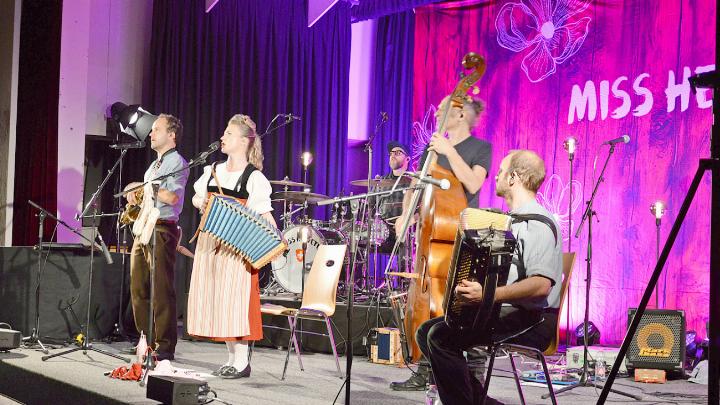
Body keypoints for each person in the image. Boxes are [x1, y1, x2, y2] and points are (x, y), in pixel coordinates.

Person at [417, 150, 563, 404]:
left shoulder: (537, 224)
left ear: (514, 178)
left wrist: (487, 295)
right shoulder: (509, 221)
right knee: (426, 331)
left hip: (532, 320)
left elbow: (541, 285)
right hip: (505, 310)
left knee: (439, 337)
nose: (496, 176)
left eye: (501, 171)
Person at [390, 96, 492, 391]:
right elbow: (416, 185)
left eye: (443, 109)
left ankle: (472, 377)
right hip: (432, 236)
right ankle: (424, 370)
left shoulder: (480, 148)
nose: (437, 114)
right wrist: (405, 216)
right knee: (429, 306)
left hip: (464, 236)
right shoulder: (432, 150)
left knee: (460, 307)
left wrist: (450, 151)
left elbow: (473, 184)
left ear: (459, 114)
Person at [186, 114, 276, 379]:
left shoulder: (254, 177)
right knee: (217, 301)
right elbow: (196, 196)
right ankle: (230, 358)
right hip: (209, 242)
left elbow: (264, 214)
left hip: (236, 248)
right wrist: (200, 203)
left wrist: (274, 242)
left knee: (235, 303)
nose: (222, 137)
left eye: (228, 134)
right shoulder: (212, 169)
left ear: (244, 141)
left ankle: (241, 361)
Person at [124, 113, 189, 361]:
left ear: (171, 135)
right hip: (144, 227)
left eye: (156, 129)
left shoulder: (178, 162)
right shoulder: (154, 166)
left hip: (162, 227)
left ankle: (165, 345)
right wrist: (135, 196)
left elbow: (173, 198)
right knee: (138, 286)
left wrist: (141, 188)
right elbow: (149, 196)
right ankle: (145, 340)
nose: (151, 134)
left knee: (161, 288)